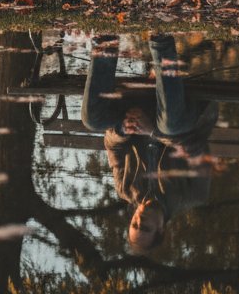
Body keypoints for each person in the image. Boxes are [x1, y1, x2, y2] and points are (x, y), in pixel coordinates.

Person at [81, 33, 219, 254]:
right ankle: (161, 40)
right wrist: (152, 131)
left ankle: (105, 41)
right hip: (184, 113)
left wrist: (122, 130)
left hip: (139, 106)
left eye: (134, 224)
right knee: (170, 127)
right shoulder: (193, 195)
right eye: (144, 227)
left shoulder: (125, 189)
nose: (138, 220)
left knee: (93, 120)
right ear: (161, 228)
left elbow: (112, 146)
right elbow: (196, 150)